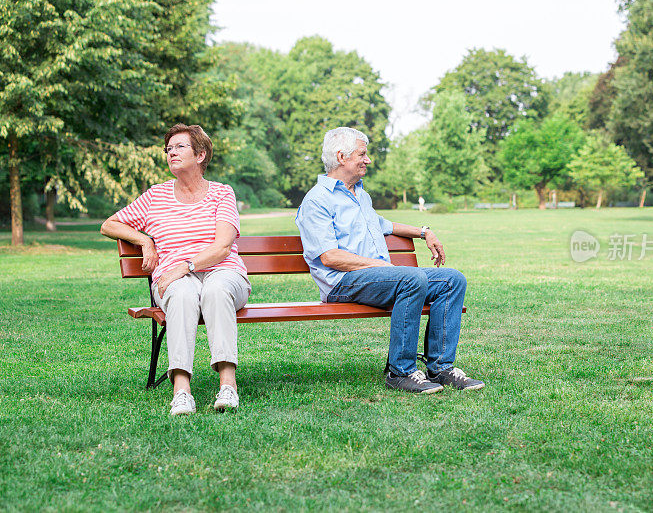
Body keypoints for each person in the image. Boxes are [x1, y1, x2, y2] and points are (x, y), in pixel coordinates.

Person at [295, 127, 484, 394]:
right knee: (411, 277)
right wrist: (382, 267)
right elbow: (330, 256)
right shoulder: (317, 200)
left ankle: (441, 368)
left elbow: (384, 225)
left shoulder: (360, 195)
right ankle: (401, 372)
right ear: (341, 157)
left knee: (452, 280)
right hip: (342, 283)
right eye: (362, 154)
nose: (367, 160)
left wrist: (424, 232)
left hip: (379, 279)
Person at [101, 124, 251, 415]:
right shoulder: (155, 197)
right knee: (181, 294)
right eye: (168, 148)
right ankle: (181, 392)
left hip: (223, 272)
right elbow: (110, 224)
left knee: (216, 290)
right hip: (175, 279)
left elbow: (222, 247)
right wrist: (145, 240)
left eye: (179, 146)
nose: (171, 152)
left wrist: (185, 266)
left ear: (200, 154)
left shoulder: (222, 193)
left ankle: (228, 387)